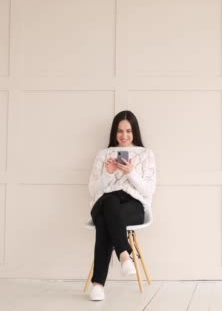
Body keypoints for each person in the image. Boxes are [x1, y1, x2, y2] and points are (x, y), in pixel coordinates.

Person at [87, 110, 156, 301]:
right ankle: (124, 254)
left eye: (128, 131)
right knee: (109, 201)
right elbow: (93, 190)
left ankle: (98, 284)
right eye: (119, 131)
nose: (124, 136)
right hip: (104, 202)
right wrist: (108, 173)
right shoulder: (104, 155)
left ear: (135, 132)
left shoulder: (146, 154)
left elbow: (148, 191)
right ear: (113, 132)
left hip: (133, 206)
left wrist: (131, 173)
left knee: (106, 219)